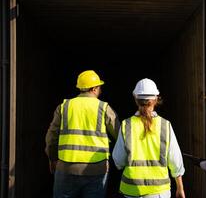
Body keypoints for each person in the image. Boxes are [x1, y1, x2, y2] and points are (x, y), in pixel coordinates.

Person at [45, 70, 120, 198]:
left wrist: (52, 158)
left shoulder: (64, 106)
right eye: (99, 87)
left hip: (66, 168)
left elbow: (51, 137)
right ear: (95, 88)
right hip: (97, 170)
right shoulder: (104, 107)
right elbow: (120, 136)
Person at [112, 78, 186, 198]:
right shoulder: (165, 125)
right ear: (156, 99)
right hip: (159, 192)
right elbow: (175, 162)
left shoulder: (127, 125)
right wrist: (180, 188)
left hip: (132, 191)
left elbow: (118, 161)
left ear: (136, 99)